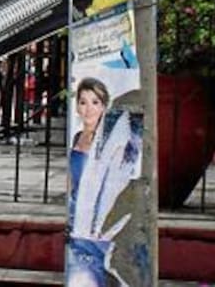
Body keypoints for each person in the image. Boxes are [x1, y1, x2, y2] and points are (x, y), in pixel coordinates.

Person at [67, 78, 142, 287]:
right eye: (83, 102)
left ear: (104, 107)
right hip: (75, 227)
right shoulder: (76, 138)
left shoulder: (111, 146)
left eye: (95, 102)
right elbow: (73, 184)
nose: (88, 109)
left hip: (98, 230)